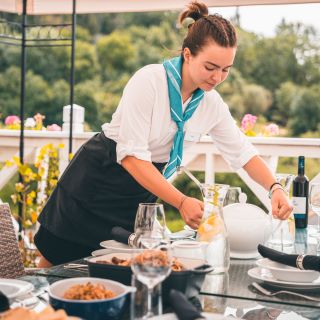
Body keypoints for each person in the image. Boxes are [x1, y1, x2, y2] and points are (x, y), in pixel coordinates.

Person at [34, 1, 292, 267]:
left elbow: (242, 152)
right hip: (96, 183)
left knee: (117, 274)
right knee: (54, 268)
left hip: (139, 195)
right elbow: (132, 158)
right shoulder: (149, 81)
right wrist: (180, 201)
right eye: (210, 67)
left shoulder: (210, 104)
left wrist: (275, 188)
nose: (217, 78)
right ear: (188, 54)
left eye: (226, 70)